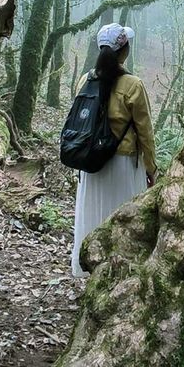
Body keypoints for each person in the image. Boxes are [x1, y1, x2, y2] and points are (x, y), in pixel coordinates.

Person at [71, 22, 158, 277]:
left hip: (91, 163)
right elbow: (146, 133)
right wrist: (152, 169)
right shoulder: (133, 85)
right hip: (122, 163)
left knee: (94, 217)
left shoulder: (86, 80)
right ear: (124, 51)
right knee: (122, 220)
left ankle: (91, 270)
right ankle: (119, 275)